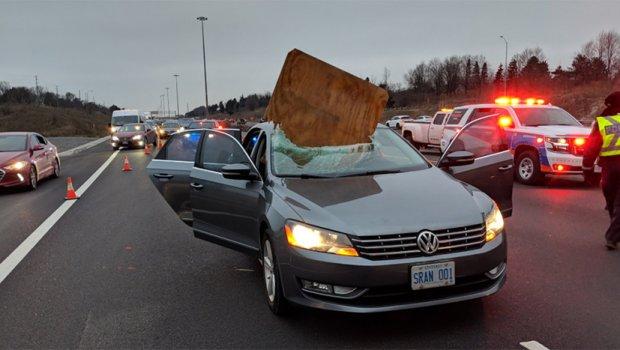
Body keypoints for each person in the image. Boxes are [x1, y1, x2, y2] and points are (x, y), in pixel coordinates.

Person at [583, 91, 620, 250]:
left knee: (612, 202)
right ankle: (615, 232)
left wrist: (587, 170)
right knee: (614, 204)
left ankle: (612, 236)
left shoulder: (602, 122)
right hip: (610, 167)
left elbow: (591, 148)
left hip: (609, 168)